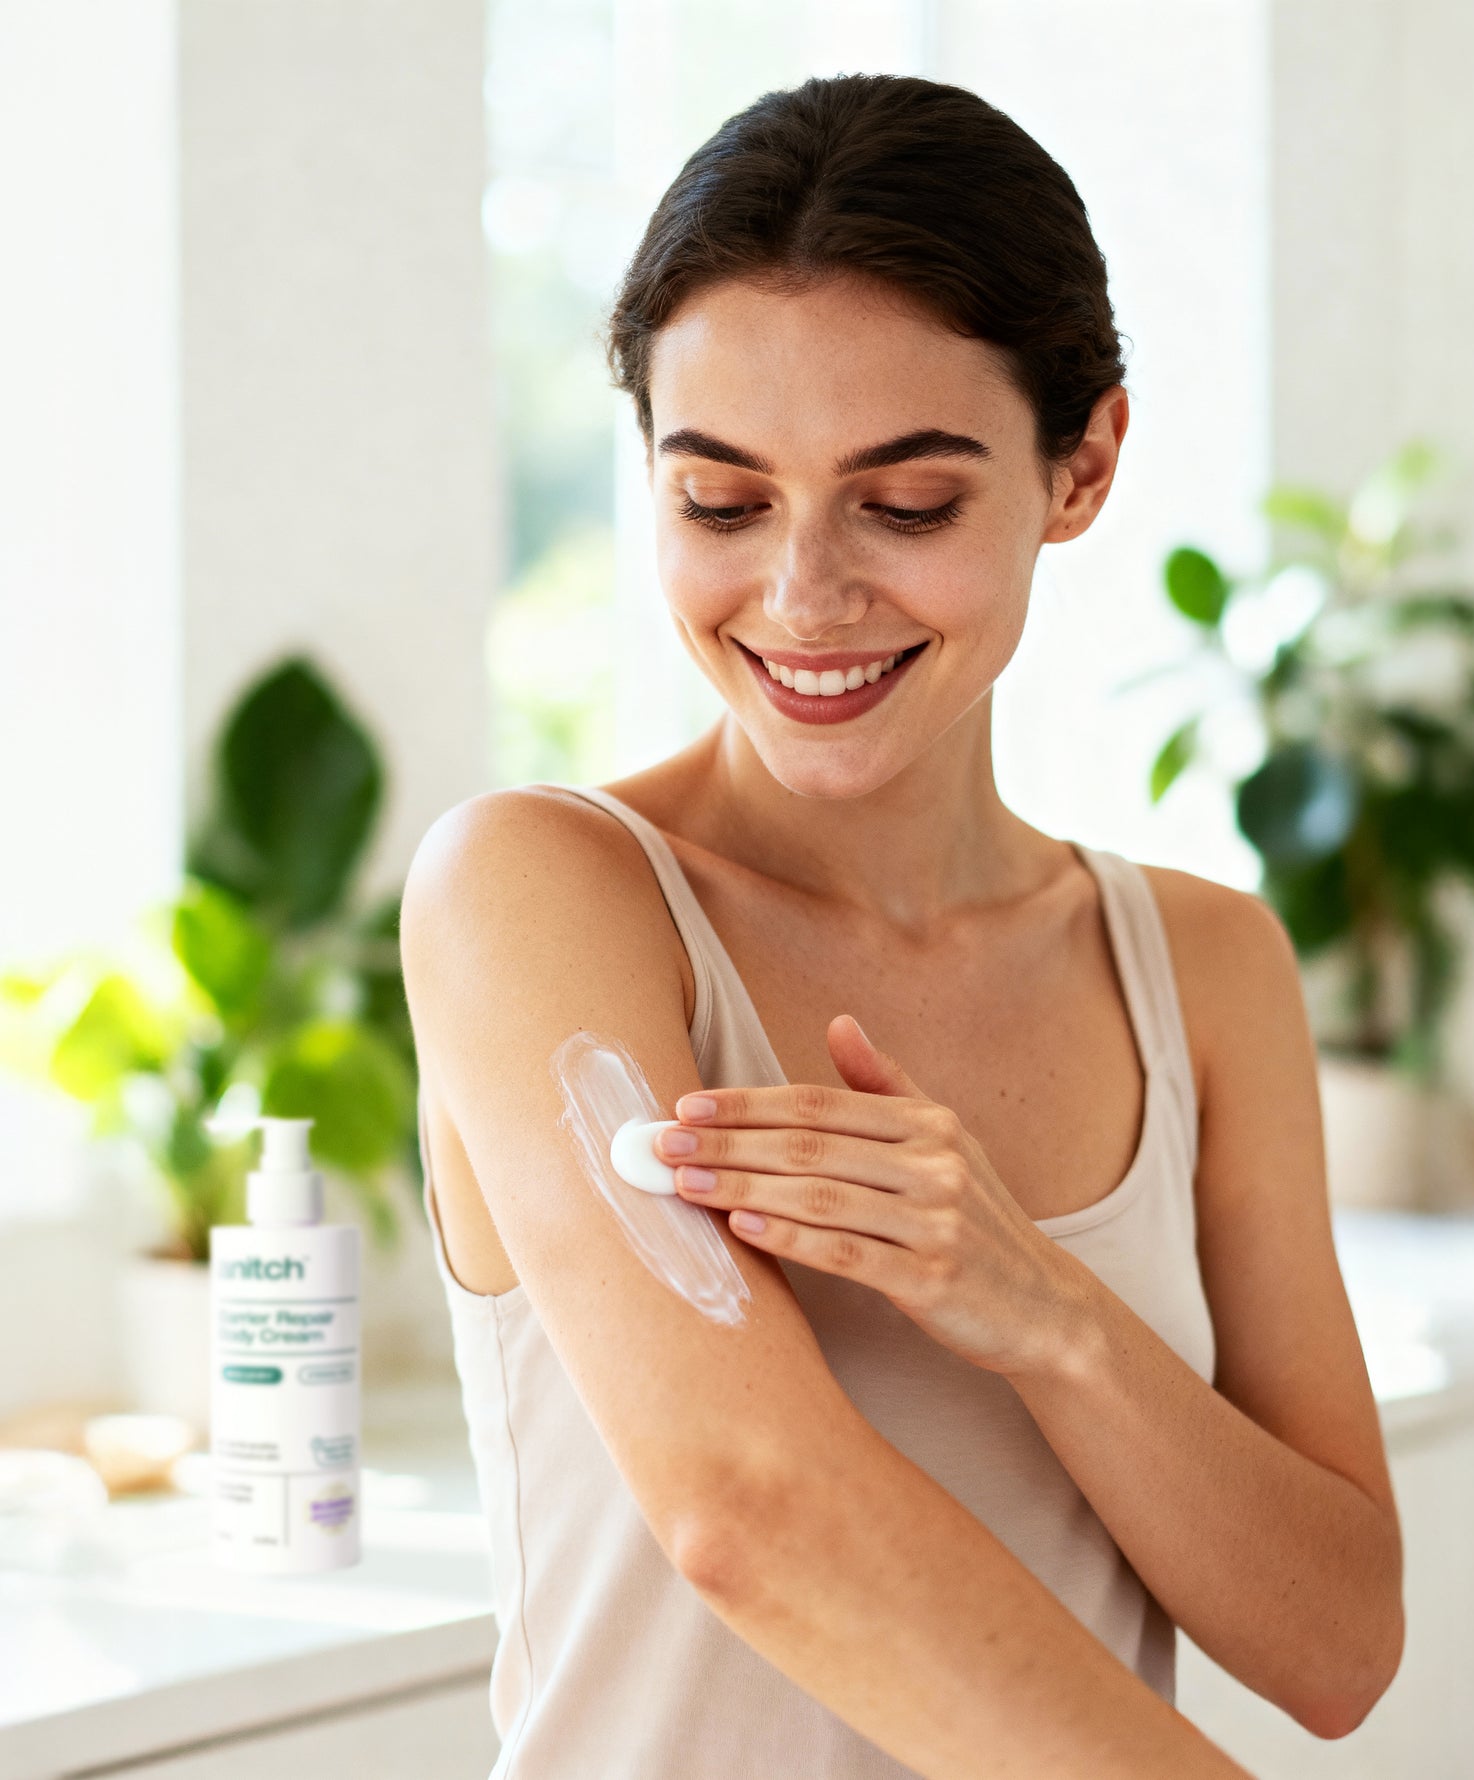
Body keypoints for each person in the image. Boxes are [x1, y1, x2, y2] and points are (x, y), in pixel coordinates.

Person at [401, 72, 1402, 1780]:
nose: (803, 596)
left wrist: (1040, 1304)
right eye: (722, 502)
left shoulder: (1205, 970)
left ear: (1081, 463)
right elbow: (752, 1513)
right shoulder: (540, 894)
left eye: (908, 503)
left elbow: (1332, 1645)